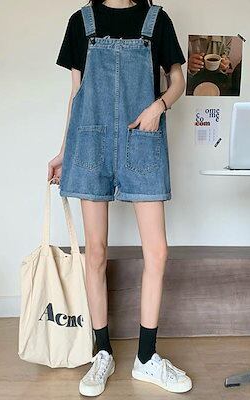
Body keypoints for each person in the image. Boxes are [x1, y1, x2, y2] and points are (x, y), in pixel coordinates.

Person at [48, 0, 191, 396]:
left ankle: (146, 358)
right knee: (95, 252)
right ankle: (102, 353)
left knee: (157, 252)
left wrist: (159, 106)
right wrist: (64, 151)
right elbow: (76, 93)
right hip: (89, 144)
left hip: (141, 138)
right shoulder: (81, 21)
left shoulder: (156, 20)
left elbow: (178, 79)